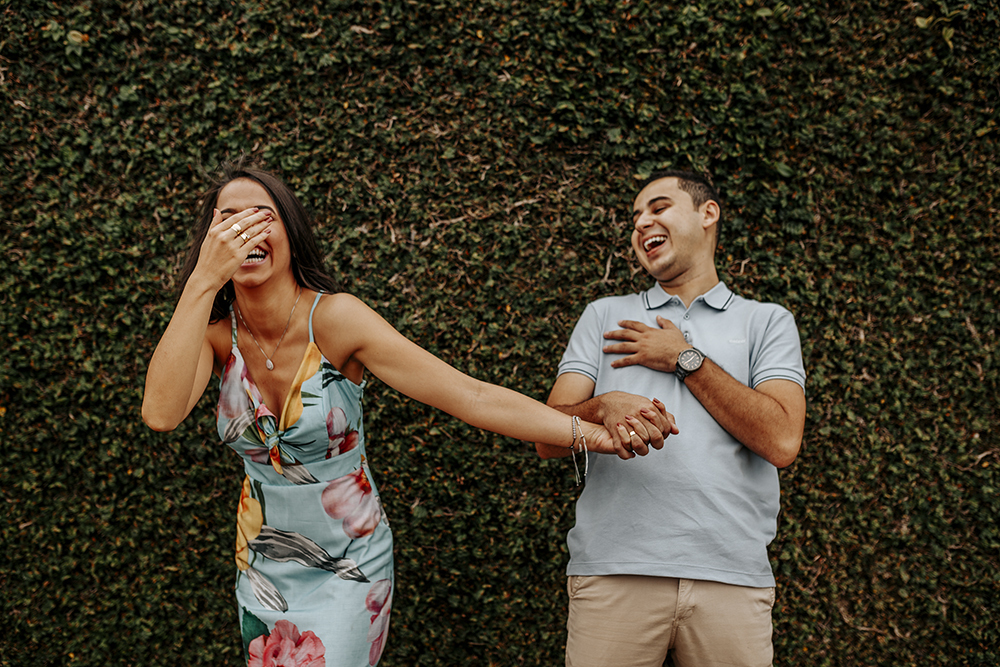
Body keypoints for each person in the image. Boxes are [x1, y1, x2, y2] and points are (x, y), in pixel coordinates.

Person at [141, 161, 675, 667]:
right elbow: (160, 414)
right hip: (263, 570)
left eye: (261, 216)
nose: (244, 231)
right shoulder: (215, 339)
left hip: (350, 565)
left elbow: (472, 396)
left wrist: (591, 435)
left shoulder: (337, 318)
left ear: (290, 231)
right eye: (228, 220)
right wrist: (202, 281)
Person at [536, 170, 806, 667]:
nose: (641, 223)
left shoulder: (767, 320)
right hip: (614, 573)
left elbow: (782, 440)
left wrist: (685, 359)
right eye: (635, 216)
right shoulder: (603, 315)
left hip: (733, 579)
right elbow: (547, 435)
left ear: (708, 214)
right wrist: (601, 406)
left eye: (657, 208)